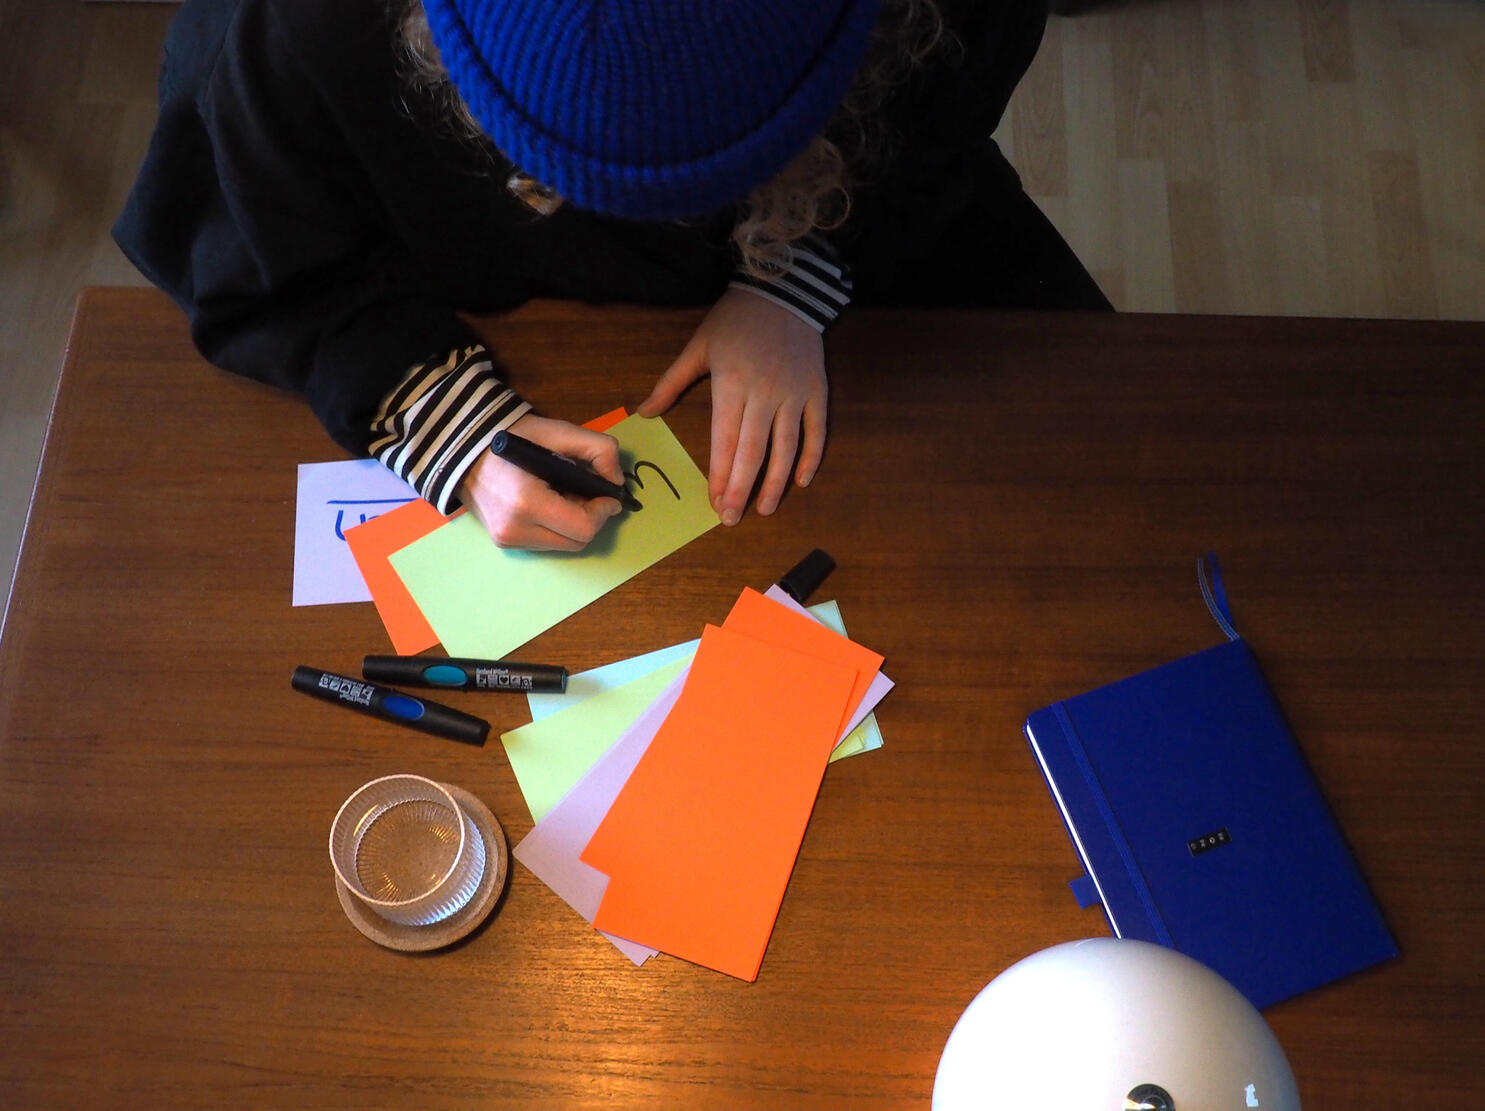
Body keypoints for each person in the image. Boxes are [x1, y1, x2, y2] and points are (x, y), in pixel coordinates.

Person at [115, 0, 1109, 552]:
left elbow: (943, 108)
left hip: (862, 243)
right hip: (448, 273)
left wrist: (790, 271)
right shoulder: (280, 32)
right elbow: (259, 248)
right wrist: (448, 425)